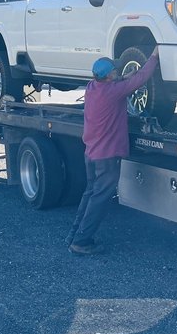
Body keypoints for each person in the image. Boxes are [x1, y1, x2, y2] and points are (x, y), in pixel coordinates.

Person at [65, 47, 160, 254]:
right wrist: (154, 56)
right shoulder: (112, 92)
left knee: (90, 194)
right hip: (106, 157)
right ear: (108, 76)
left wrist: (125, 76)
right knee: (100, 199)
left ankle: (74, 235)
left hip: (91, 153)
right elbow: (141, 79)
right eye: (115, 71)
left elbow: (118, 83)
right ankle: (81, 242)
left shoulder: (92, 87)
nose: (117, 71)